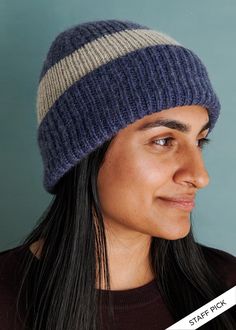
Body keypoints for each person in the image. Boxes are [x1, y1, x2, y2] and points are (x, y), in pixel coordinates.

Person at [0, 18, 235, 330]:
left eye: (199, 141)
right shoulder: (6, 299)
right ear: (83, 153)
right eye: (163, 141)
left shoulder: (226, 287)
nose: (199, 176)